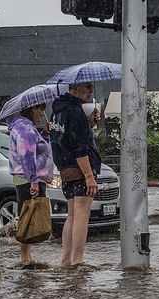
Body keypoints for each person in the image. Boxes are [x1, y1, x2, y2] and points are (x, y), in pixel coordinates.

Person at [49, 82, 102, 267]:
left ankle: (65, 259)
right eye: (87, 87)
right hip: (80, 168)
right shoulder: (75, 110)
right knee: (82, 214)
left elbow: (65, 136)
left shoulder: (57, 110)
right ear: (75, 89)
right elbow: (80, 147)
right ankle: (77, 260)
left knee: (71, 215)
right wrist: (89, 176)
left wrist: (89, 124)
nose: (90, 91)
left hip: (65, 169)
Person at [8, 103, 54, 263]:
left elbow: (37, 149)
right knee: (27, 215)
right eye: (41, 109)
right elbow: (27, 156)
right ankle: (25, 257)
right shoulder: (24, 129)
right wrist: (33, 181)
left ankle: (27, 256)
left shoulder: (27, 128)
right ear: (32, 109)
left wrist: (45, 134)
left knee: (28, 213)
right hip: (28, 178)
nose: (43, 113)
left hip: (29, 177)